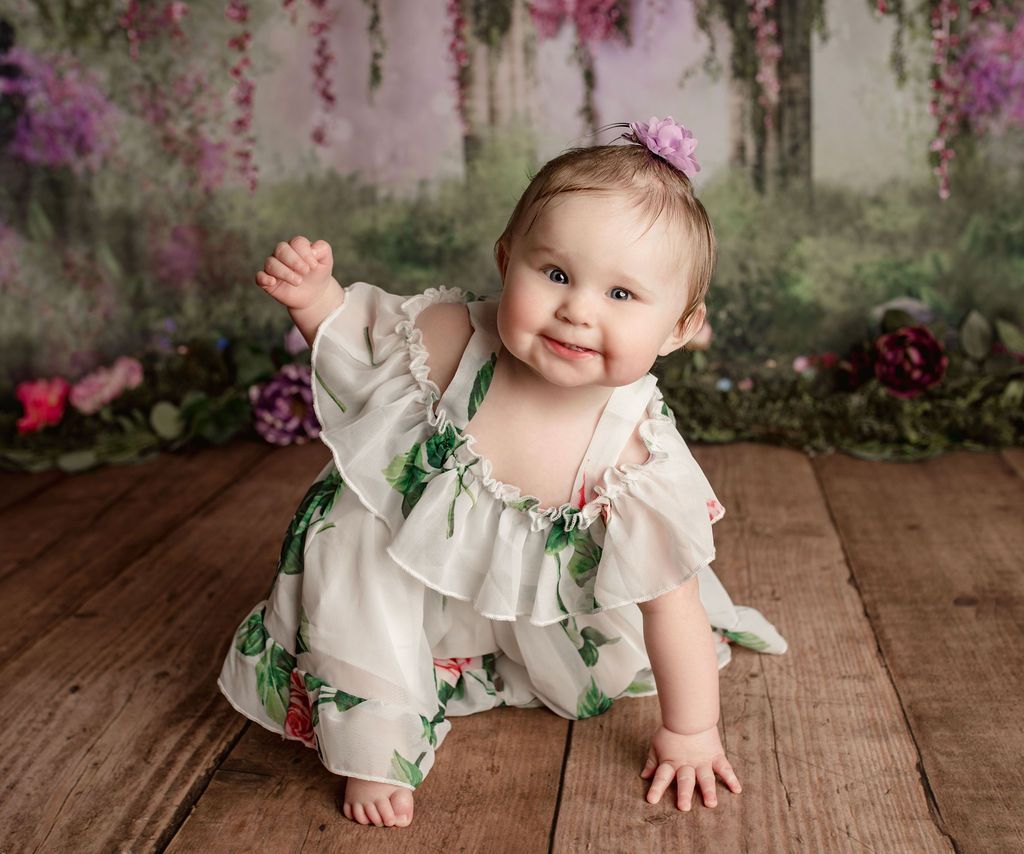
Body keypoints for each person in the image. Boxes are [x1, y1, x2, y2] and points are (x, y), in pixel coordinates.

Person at [217, 117, 788, 829]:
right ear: (506, 259)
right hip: (403, 563)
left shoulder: (636, 456)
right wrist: (315, 300)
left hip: (533, 592)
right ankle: (374, 735)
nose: (577, 310)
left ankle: (489, 657)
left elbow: (670, 605)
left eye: (621, 295)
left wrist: (691, 732)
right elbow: (364, 348)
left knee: (623, 629)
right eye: (556, 274)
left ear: (678, 328)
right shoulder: (456, 335)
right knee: (355, 531)